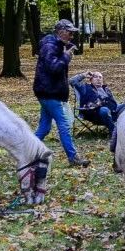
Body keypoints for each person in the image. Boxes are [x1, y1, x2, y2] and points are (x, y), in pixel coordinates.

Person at [33, 19, 90, 167]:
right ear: (61, 32)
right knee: (63, 126)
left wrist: (64, 55)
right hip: (49, 92)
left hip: (48, 91)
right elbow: (54, 68)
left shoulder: (55, 45)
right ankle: (73, 157)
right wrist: (66, 57)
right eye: (70, 33)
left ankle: (26, 150)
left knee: (44, 128)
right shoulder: (50, 46)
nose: (72, 36)